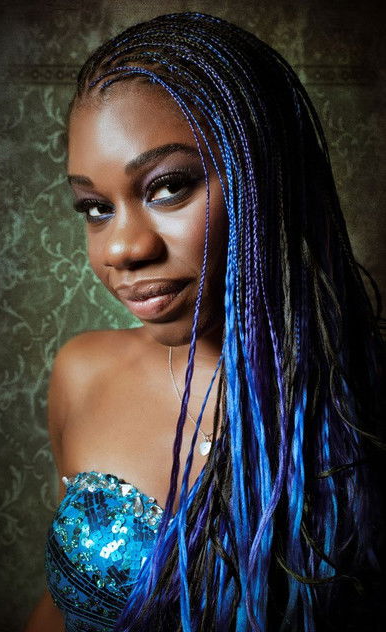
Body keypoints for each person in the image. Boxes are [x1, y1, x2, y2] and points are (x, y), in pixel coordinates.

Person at [24, 11, 385, 632]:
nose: (122, 249)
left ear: (267, 176)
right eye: (95, 208)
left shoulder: (363, 404)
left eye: (168, 187)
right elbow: (60, 607)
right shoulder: (82, 373)